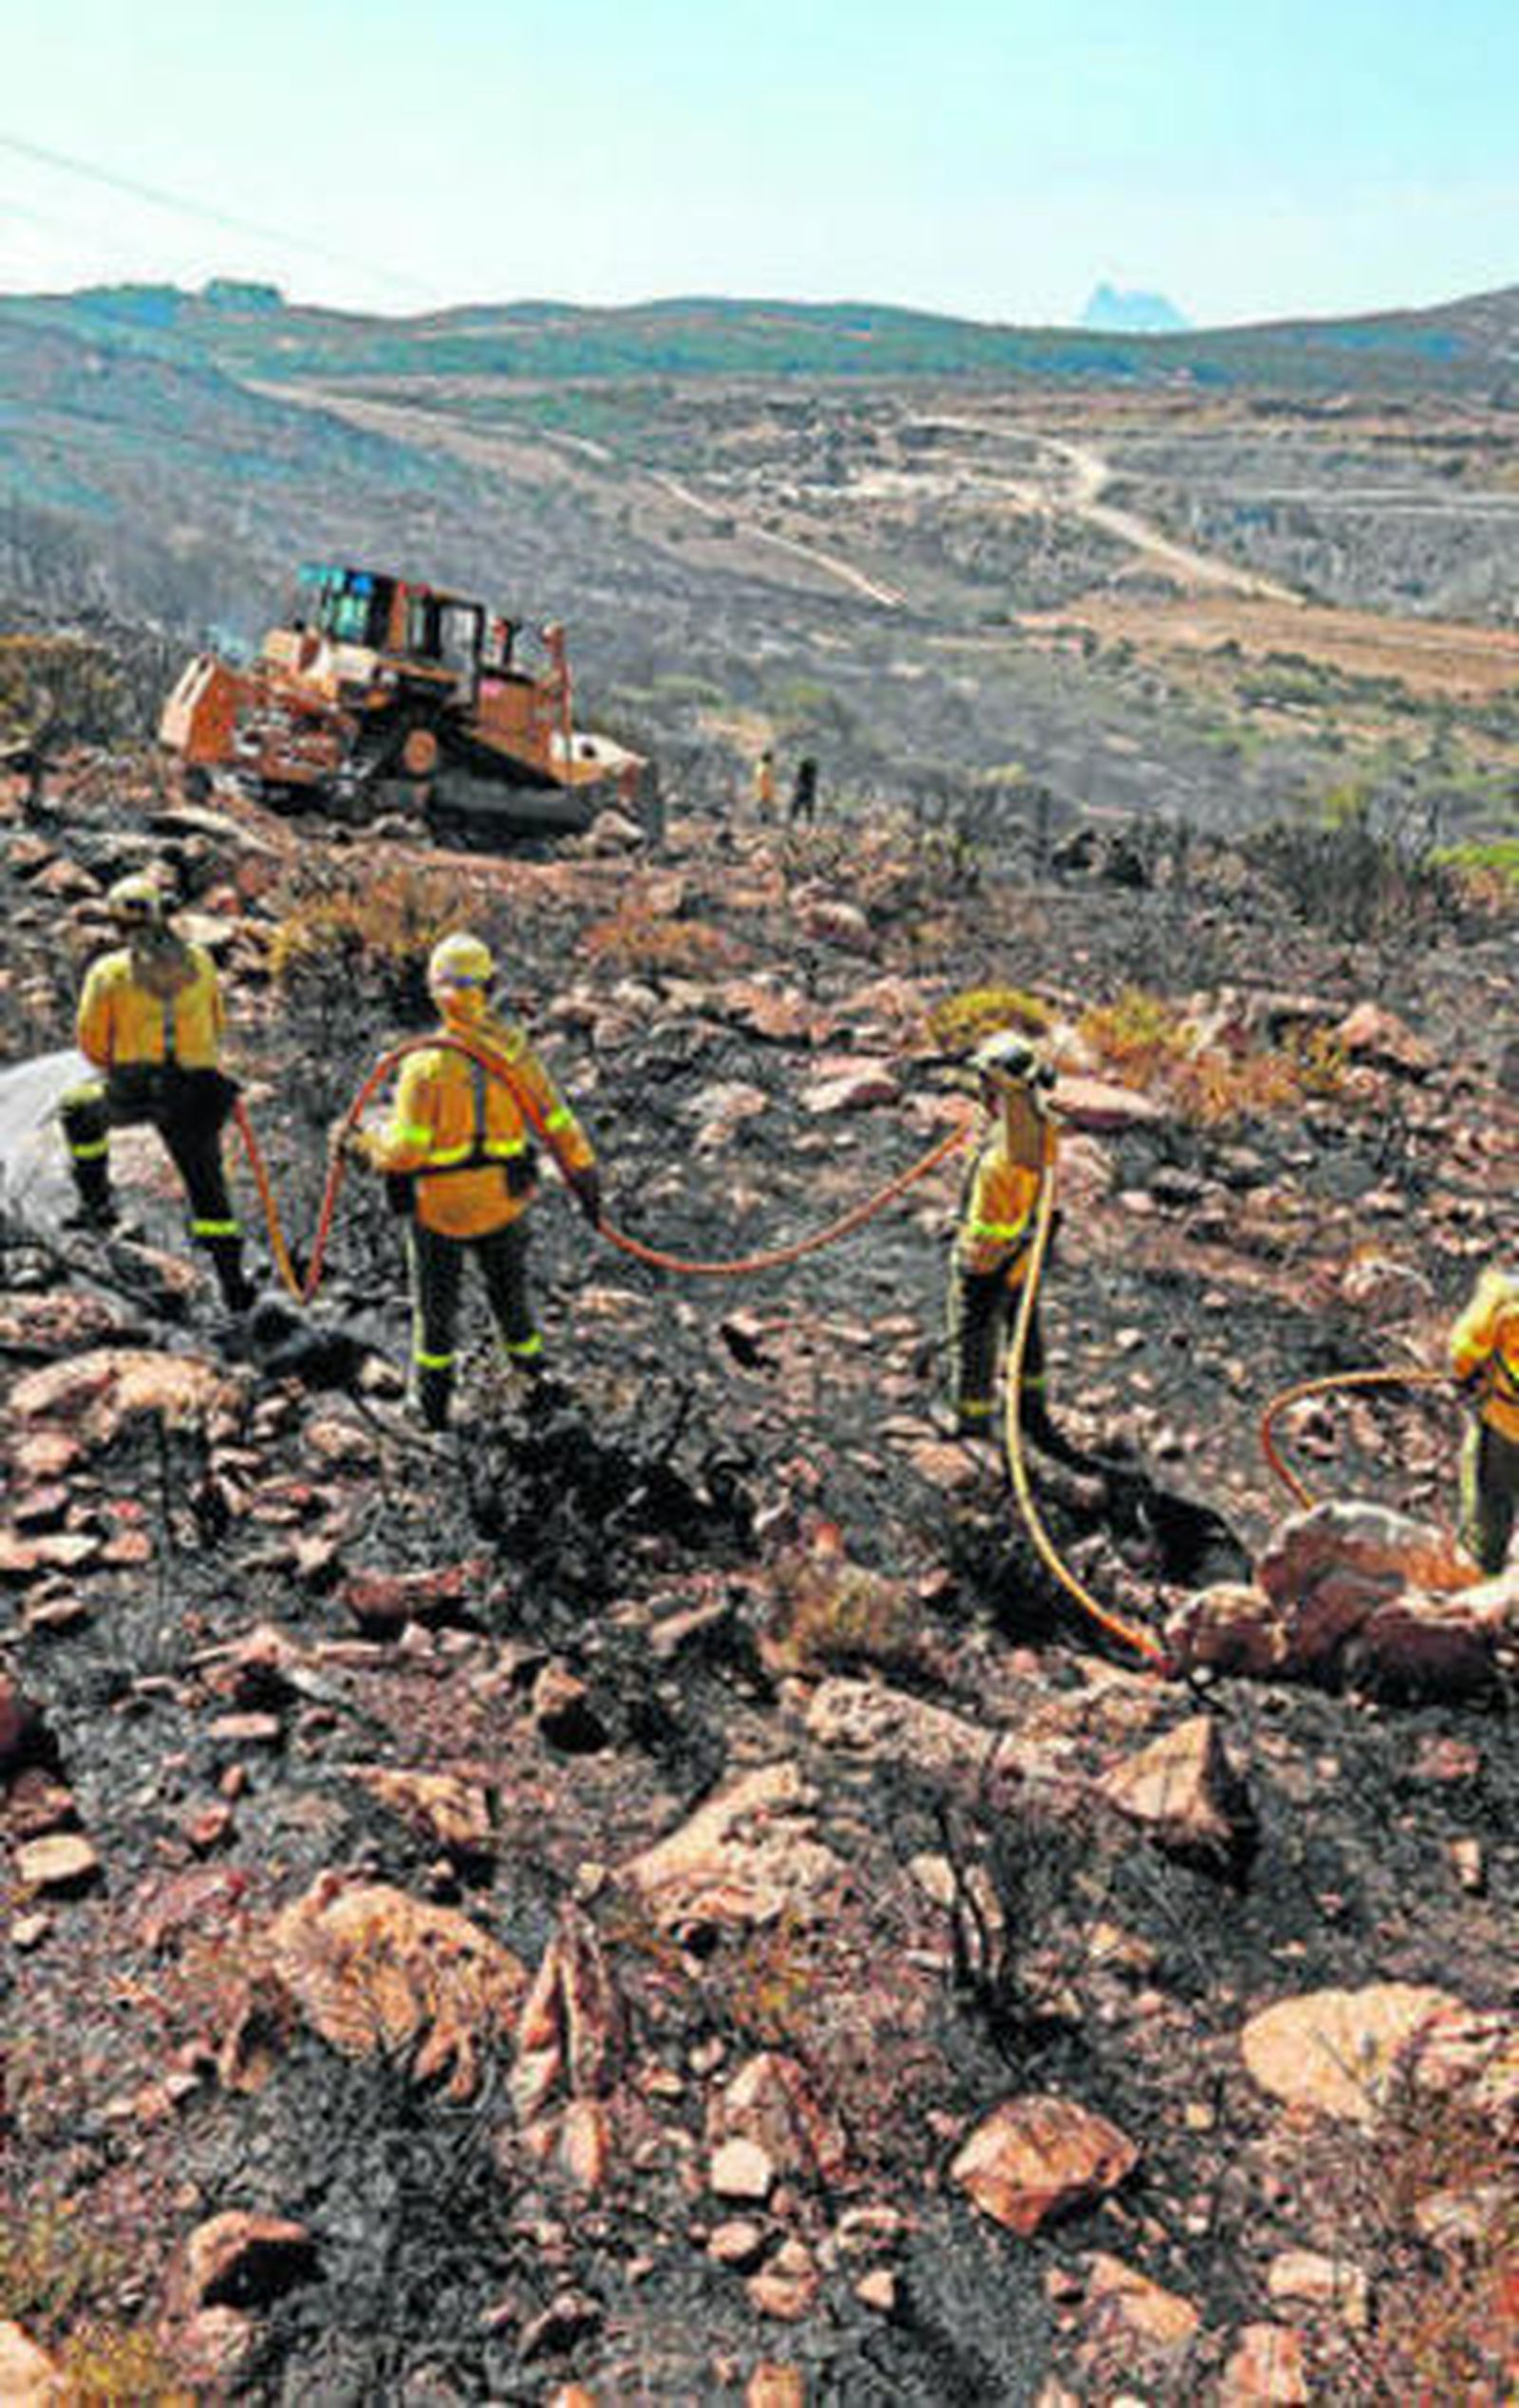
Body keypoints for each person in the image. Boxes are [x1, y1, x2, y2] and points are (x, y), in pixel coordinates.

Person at [343, 931, 601, 1430]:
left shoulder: (424, 1064)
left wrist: (361, 1144)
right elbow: (557, 1122)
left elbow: (405, 1153)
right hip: (504, 1205)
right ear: (491, 985)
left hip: (438, 1213)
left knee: (435, 1316)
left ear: (433, 989)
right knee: (512, 1304)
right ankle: (536, 1386)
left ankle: (431, 1408)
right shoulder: (515, 1053)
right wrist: (586, 1179)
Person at [59, 873, 254, 1311]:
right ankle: (233, 1284)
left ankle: (97, 1206)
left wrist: (122, 1069)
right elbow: (218, 1023)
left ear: (117, 923)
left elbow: (91, 1042)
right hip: (200, 1089)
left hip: (139, 1090)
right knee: (207, 1185)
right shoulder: (201, 961)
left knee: (76, 1110)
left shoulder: (109, 972)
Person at [946, 1030, 1060, 1448]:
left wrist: (973, 1263)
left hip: (988, 1264)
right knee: (1025, 1329)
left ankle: (971, 1420)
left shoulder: (1000, 1162)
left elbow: (991, 1225)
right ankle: (1032, 1406)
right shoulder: (1041, 1129)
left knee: (975, 1341)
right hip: (1024, 1260)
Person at [1449, 1266, 1519, 1573]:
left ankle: (1478, 1582)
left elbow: (1464, 1349)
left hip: (1506, 1424)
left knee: (1488, 1505)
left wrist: (1466, 1376)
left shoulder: (1504, 1295)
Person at [788, 756, 818, 826]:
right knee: (808, 811)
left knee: (797, 810)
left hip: (803, 793)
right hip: (805, 793)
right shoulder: (808, 773)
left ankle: (792, 823)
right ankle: (808, 824)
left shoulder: (805, 773)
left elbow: (796, 784)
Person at [752, 748, 776, 820]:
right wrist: (766, 788)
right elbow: (762, 777)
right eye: (771, 758)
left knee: (763, 803)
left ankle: (762, 817)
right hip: (763, 788)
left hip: (762, 788)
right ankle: (761, 817)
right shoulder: (764, 766)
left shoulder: (760, 764)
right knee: (763, 803)